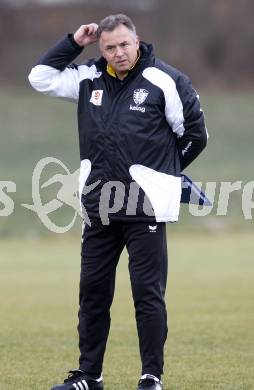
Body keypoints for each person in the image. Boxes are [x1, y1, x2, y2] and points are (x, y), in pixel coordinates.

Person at [28, 14, 208, 390]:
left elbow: (195, 134)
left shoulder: (165, 80)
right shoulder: (88, 77)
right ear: (101, 48)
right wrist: (74, 43)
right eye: (109, 47)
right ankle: (89, 376)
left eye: (124, 44)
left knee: (147, 294)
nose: (118, 52)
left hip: (147, 208)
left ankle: (150, 377)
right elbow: (40, 78)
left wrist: (163, 174)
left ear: (137, 40)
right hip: (99, 207)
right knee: (92, 293)